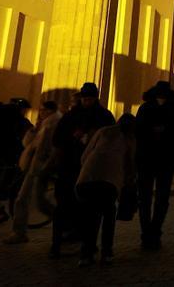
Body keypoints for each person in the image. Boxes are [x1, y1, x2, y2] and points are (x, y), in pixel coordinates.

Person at [50, 82, 115, 259]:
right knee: (68, 207)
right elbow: (57, 139)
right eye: (85, 98)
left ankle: (85, 245)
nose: (87, 101)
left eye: (89, 98)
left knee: (84, 209)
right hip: (73, 168)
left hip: (87, 170)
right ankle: (59, 244)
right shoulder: (91, 116)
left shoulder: (95, 116)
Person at [75, 113, 137, 267]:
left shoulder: (103, 131)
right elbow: (130, 164)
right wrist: (128, 180)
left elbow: (85, 155)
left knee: (90, 217)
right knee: (108, 216)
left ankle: (86, 253)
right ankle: (106, 252)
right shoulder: (129, 139)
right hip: (109, 182)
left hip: (87, 178)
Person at [135, 80, 174, 250]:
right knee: (147, 199)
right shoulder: (148, 108)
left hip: (161, 158)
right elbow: (138, 131)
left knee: (158, 199)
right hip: (150, 157)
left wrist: (165, 131)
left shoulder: (170, 108)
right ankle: (148, 234)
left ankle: (153, 232)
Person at [4, 100, 60, 243]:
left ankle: (19, 232)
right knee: (37, 200)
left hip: (39, 167)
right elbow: (28, 144)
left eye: (43, 110)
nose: (40, 113)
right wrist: (34, 130)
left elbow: (45, 148)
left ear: (50, 111)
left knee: (24, 199)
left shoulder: (53, 124)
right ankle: (65, 222)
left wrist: (44, 166)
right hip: (34, 166)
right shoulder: (45, 124)